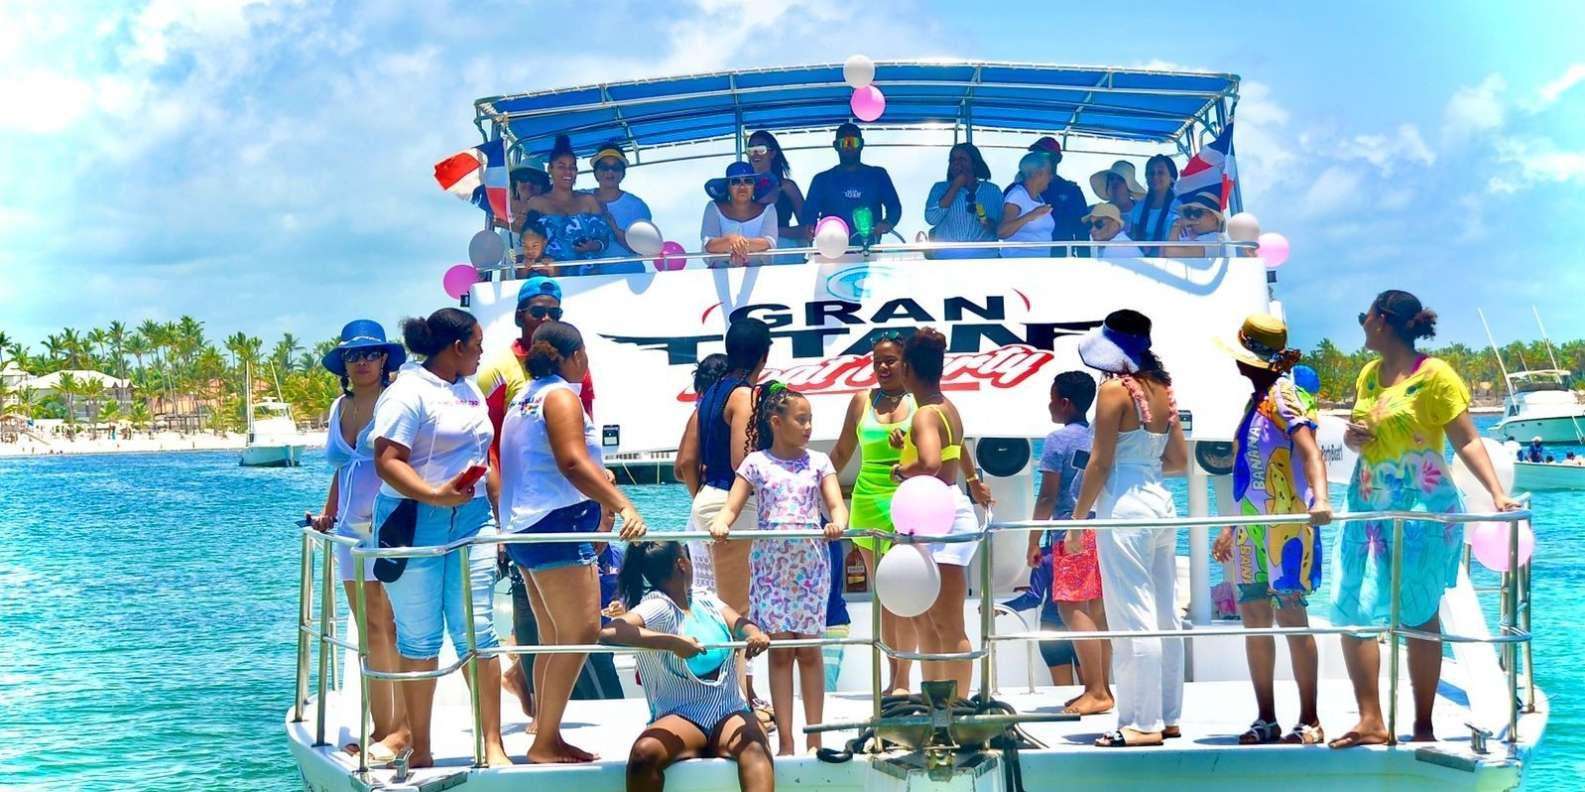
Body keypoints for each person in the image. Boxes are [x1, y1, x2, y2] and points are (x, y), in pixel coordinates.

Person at [1330, 290, 1521, 748]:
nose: (1362, 324)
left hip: (1421, 509)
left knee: (1418, 613)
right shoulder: (1368, 374)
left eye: (1364, 316)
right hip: (1367, 504)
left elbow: (1466, 440)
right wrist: (1355, 439)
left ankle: (1422, 723)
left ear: (1382, 321)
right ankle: (1371, 720)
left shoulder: (1435, 375)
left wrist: (1497, 493)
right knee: (1351, 605)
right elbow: (1360, 437)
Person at [498, 320, 647, 763]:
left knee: (555, 637)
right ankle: (546, 740)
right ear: (576, 355)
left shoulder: (524, 398)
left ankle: (545, 731)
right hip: (556, 523)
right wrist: (623, 506)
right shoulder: (560, 396)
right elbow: (572, 462)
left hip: (526, 525)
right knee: (580, 631)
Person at [370, 308, 508, 768]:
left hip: (472, 517)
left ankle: (493, 745)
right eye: (478, 345)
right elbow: (387, 460)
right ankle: (421, 748)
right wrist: (433, 495)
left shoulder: (468, 388)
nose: (482, 353)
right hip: (415, 520)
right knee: (420, 638)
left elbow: (483, 453)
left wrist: (497, 515)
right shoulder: (407, 392)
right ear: (456, 347)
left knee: (478, 629)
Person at [1210, 314, 1334, 746]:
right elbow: (1248, 472)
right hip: (1253, 526)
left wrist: (1321, 499)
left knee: (1291, 614)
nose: (1235, 362)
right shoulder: (1255, 401)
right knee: (1254, 616)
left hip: (1287, 525)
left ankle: (1310, 719)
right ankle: (1266, 717)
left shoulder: (1284, 396)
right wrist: (1231, 526)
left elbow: (1310, 451)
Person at [1069, 309, 1189, 748]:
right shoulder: (1163, 390)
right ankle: (1168, 715)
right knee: (1165, 615)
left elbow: (1099, 463)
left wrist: (1076, 522)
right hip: (1161, 504)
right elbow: (1178, 462)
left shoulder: (1113, 391)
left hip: (1125, 507)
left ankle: (1141, 722)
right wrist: (1142, 460)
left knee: (1131, 616)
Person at [710, 385, 848, 755]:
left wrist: (838, 522)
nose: (808, 427)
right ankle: (786, 740)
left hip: (810, 568)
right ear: (776, 422)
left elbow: (836, 505)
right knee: (781, 652)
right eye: (801, 420)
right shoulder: (756, 463)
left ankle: (815, 736)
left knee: (810, 652)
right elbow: (732, 506)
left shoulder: (819, 462)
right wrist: (722, 522)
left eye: (810, 420)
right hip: (772, 569)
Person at [306, 319, 409, 761]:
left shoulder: (395, 402)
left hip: (389, 528)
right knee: (369, 630)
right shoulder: (339, 407)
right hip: (349, 534)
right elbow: (343, 468)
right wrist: (327, 513)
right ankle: (381, 726)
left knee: (392, 627)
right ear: (343, 363)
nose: (362, 362)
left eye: (370, 354)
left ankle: (401, 729)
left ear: (384, 359)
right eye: (353, 355)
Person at [603, 540, 775, 792]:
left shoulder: (705, 598)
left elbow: (740, 624)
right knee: (644, 753)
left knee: (755, 745)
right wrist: (672, 643)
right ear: (682, 563)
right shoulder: (658, 606)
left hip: (729, 707)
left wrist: (754, 634)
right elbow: (610, 632)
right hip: (682, 714)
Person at [889, 328, 994, 693]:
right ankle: (937, 699)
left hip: (940, 517)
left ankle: (958, 705)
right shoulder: (946, 407)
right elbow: (954, 449)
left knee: (947, 624)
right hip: (942, 512)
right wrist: (973, 480)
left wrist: (901, 469)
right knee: (929, 621)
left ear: (907, 369)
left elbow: (931, 463)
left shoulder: (924, 415)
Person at [684, 318, 773, 715]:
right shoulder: (744, 395)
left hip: (706, 498)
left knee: (716, 606)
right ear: (764, 356)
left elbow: (688, 460)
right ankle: (738, 707)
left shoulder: (713, 392)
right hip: (732, 505)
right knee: (736, 612)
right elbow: (743, 463)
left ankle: (726, 699)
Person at [829, 335, 919, 694]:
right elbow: (841, 452)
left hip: (907, 500)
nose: (882, 366)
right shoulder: (860, 401)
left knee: (904, 593)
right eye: (877, 360)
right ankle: (891, 677)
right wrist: (813, 487)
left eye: (890, 360)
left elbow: (944, 449)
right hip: (867, 501)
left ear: (906, 362)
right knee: (883, 595)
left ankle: (903, 680)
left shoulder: (920, 401)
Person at [1028, 370, 1113, 715]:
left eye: (1052, 399)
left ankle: (1095, 691)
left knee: (1071, 608)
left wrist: (1033, 539)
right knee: (1097, 611)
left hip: (1071, 532)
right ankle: (1103, 687)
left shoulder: (1057, 441)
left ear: (1064, 403)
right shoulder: (1099, 436)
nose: (1049, 405)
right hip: (1100, 529)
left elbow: (1048, 496)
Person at [527, 134, 618, 273]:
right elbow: (528, 241)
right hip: (550, 277)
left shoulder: (589, 201)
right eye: (561, 167)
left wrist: (594, 245)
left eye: (572, 167)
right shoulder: (536, 203)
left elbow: (605, 239)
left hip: (588, 277)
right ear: (550, 169)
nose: (568, 172)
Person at [800, 123, 901, 246]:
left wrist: (887, 223)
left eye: (853, 142)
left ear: (862, 144)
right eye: (844, 142)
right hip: (830, 250)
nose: (849, 147)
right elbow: (809, 214)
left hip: (870, 249)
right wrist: (810, 228)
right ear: (836, 146)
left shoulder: (878, 175)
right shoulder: (821, 180)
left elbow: (894, 206)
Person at [923, 143, 1003, 259]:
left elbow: (1004, 227)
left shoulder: (992, 190)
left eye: (962, 159)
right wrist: (955, 186)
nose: (956, 163)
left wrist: (990, 224)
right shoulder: (940, 188)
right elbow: (931, 219)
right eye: (952, 160)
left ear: (974, 164)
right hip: (948, 257)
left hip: (985, 257)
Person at [588, 141, 651, 273]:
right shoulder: (580, 198)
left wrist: (614, 228)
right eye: (604, 167)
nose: (610, 171)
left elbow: (642, 250)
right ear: (596, 172)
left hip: (629, 276)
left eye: (616, 168)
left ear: (623, 173)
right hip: (586, 277)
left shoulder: (637, 206)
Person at [702, 162, 779, 267]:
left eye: (748, 181)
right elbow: (708, 245)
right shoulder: (713, 207)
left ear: (754, 186)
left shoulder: (769, 209)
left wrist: (737, 244)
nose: (742, 186)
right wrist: (730, 240)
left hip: (759, 273)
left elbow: (769, 243)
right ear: (728, 187)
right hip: (720, 273)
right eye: (736, 182)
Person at [747, 130, 806, 260]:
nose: (755, 154)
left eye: (760, 149)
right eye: (751, 150)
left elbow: (807, 230)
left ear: (772, 153)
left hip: (782, 252)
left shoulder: (788, 187)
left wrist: (773, 233)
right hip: (750, 255)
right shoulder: (741, 189)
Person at [1026, 136, 1089, 256]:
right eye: (1035, 155)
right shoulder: (1021, 189)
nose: (1039, 159)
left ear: (1057, 159)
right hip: (1025, 257)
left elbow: (1082, 230)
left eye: (1044, 154)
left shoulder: (1071, 190)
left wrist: (1085, 261)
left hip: (1060, 259)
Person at [997, 152, 1056, 258]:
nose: (1051, 177)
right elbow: (1002, 232)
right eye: (1049, 173)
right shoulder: (1017, 196)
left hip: (1041, 262)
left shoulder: (1039, 198)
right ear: (1038, 174)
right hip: (1019, 263)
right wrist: (1030, 216)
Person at [1131, 155, 1180, 250]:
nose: (1155, 176)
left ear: (1172, 177)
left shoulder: (1181, 207)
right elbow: (1134, 238)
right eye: (1151, 173)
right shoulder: (1139, 207)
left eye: (1160, 172)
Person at [1162, 192, 1228, 258]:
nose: (1192, 217)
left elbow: (1171, 252)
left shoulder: (1216, 239)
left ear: (1213, 218)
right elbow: (1162, 253)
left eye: (1197, 213)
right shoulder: (1187, 233)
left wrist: (1176, 225)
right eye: (1189, 212)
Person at [1088, 161, 1146, 228]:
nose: (1114, 183)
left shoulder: (1145, 212)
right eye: (1111, 179)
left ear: (1130, 186)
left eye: (1121, 179)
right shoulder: (1095, 213)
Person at [504, 164, 551, 233]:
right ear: (515, 184)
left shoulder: (552, 214)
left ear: (544, 186)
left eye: (535, 179)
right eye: (523, 178)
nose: (529, 184)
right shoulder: (503, 210)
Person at [515, 211, 555, 278]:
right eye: (525, 245)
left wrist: (551, 269)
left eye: (534, 246)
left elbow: (559, 281)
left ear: (544, 243)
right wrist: (524, 269)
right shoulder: (518, 260)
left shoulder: (552, 260)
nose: (529, 250)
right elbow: (515, 281)